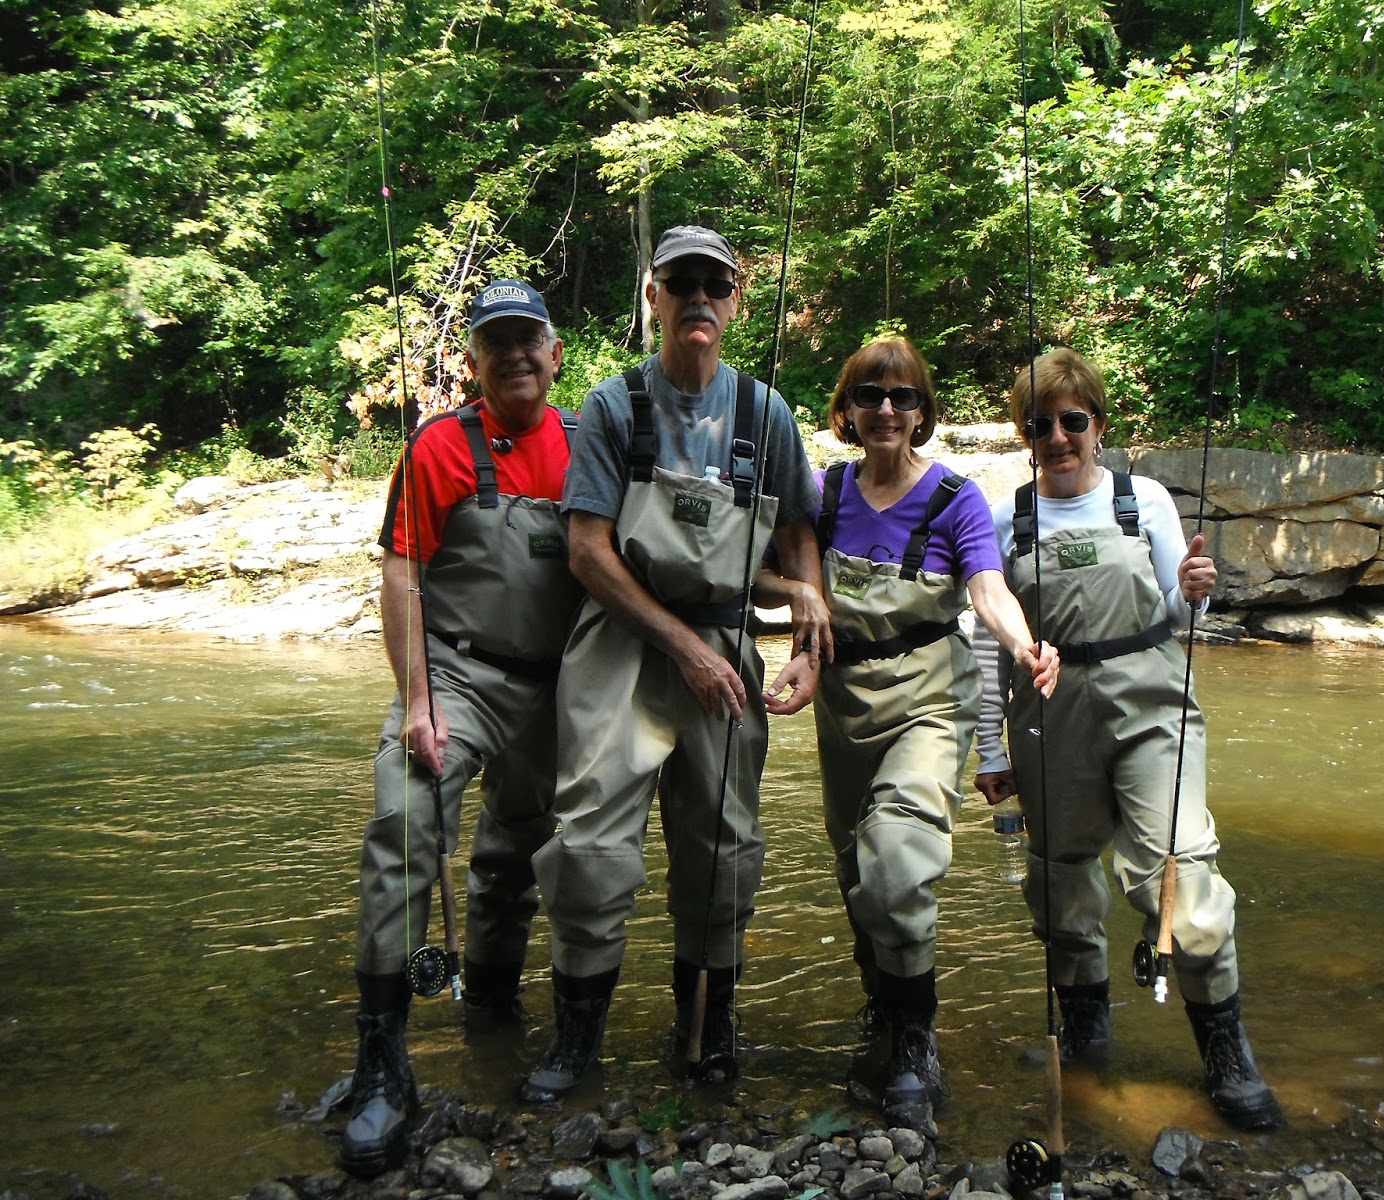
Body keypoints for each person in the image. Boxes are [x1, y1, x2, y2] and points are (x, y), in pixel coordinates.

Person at [521, 225, 828, 1102]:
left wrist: (808, 639)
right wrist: (681, 643)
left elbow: (800, 531)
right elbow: (586, 551)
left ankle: (706, 1034)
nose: (698, 297)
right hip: (622, 645)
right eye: (680, 282)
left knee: (724, 852)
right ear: (653, 297)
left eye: (714, 284)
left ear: (734, 301)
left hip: (727, 647)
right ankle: (575, 1039)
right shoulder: (614, 406)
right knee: (587, 848)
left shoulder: (768, 414)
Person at [973, 348, 1282, 1131]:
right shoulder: (1005, 520)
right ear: (1024, 434)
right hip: (1049, 713)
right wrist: (991, 747)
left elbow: (1183, 620)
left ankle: (1227, 1054)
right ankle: (1087, 1037)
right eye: (1039, 424)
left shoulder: (1139, 500)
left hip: (1152, 707)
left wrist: (1195, 592)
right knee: (1062, 885)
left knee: (1182, 880)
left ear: (1099, 427)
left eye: (1073, 421)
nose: (1057, 437)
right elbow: (984, 640)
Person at [761, 336, 1059, 1121]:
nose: (886, 410)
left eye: (903, 398)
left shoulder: (956, 497)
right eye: (869, 396)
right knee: (860, 879)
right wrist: (798, 595)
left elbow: (988, 590)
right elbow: (753, 572)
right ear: (847, 411)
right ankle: (885, 1017)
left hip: (932, 702)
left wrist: (1025, 646)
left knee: (897, 863)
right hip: (842, 705)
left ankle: (916, 1045)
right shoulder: (821, 494)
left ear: (924, 412)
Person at [339, 280, 583, 1176]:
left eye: (531, 340)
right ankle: (382, 1062)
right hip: (454, 673)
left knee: (516, 855)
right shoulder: (440, 448)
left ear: (556, 354)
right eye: (497, 343)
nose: (516, 355)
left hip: (555, 688)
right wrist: (414, 701)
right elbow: (402, 577)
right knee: (404, 825)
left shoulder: (586, 445)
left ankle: (491, 1013)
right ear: (473, 361)